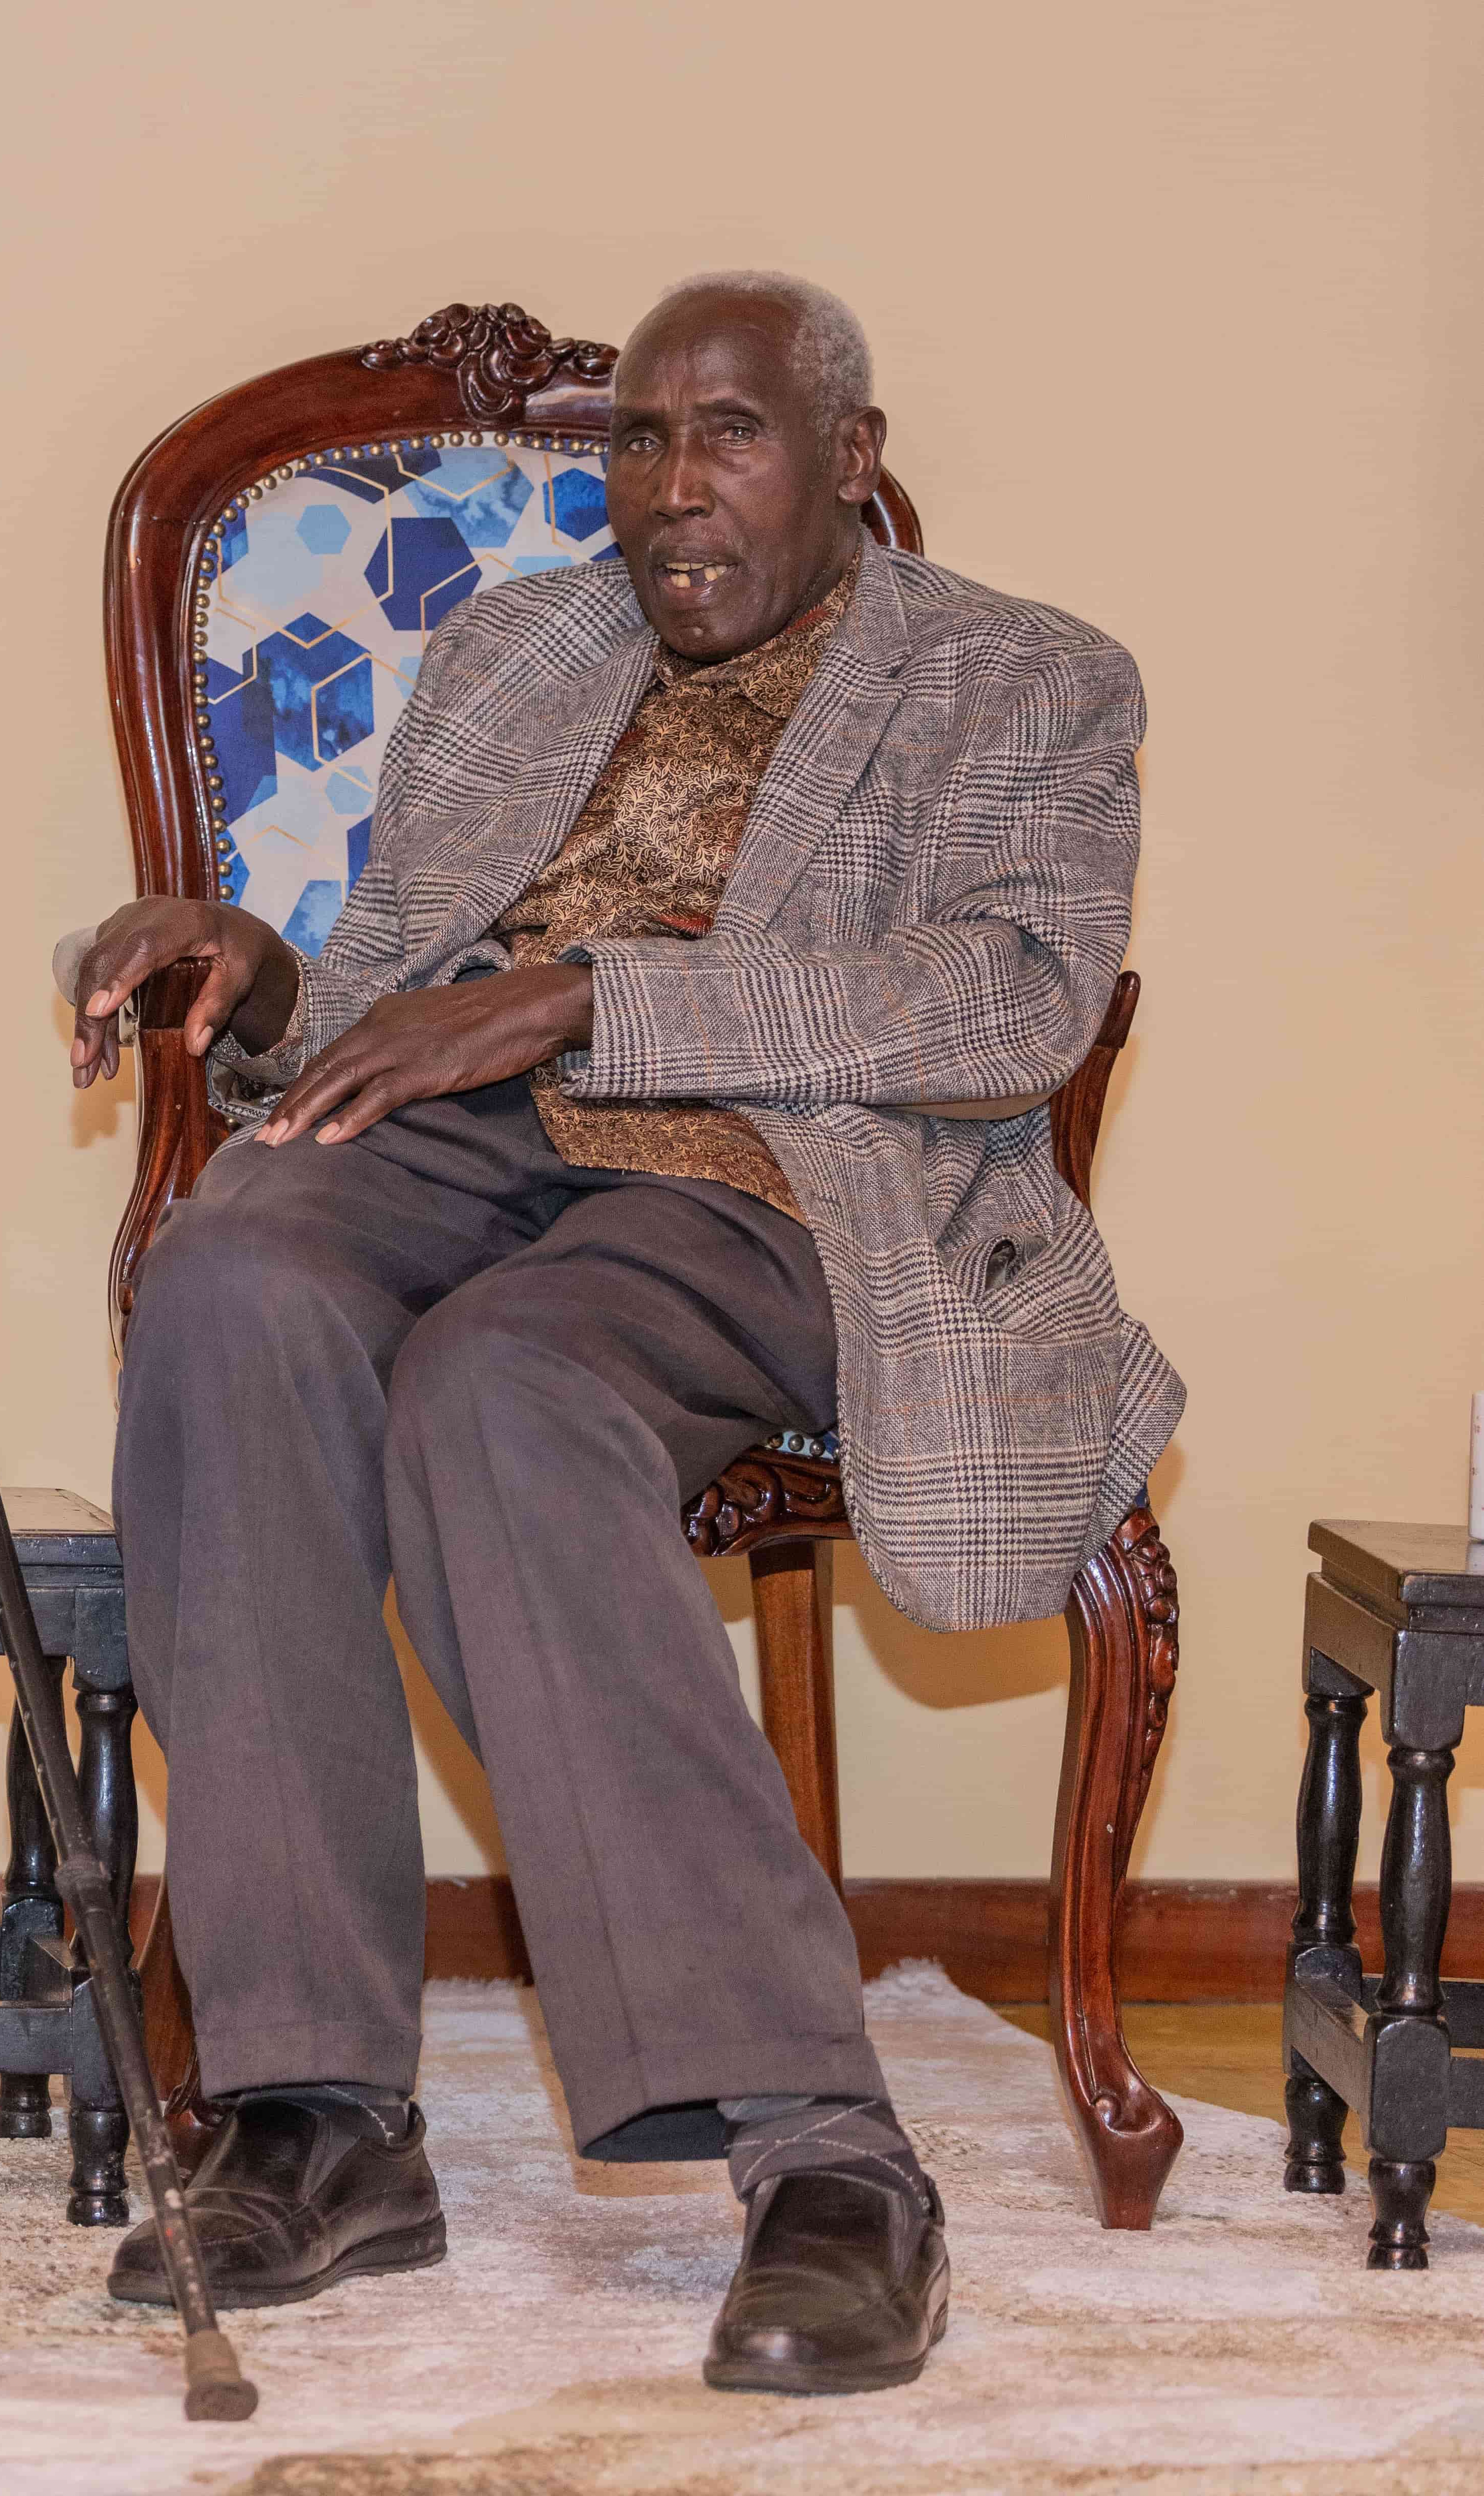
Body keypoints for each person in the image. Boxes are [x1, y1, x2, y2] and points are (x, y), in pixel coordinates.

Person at [58, 272, 1178, 2395]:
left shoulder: (1028, 680)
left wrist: (600, 997)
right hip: (471, 1127)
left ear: (849, 458)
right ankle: (317, 2108)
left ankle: (829, 2152)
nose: (670, 494)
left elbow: (1009, 1002)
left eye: (727, 437)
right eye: (639, 446)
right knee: (236, 1270)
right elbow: (399, 969)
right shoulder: (523, 646)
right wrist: (262, 974)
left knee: (503, 1385)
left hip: (773, 1178)